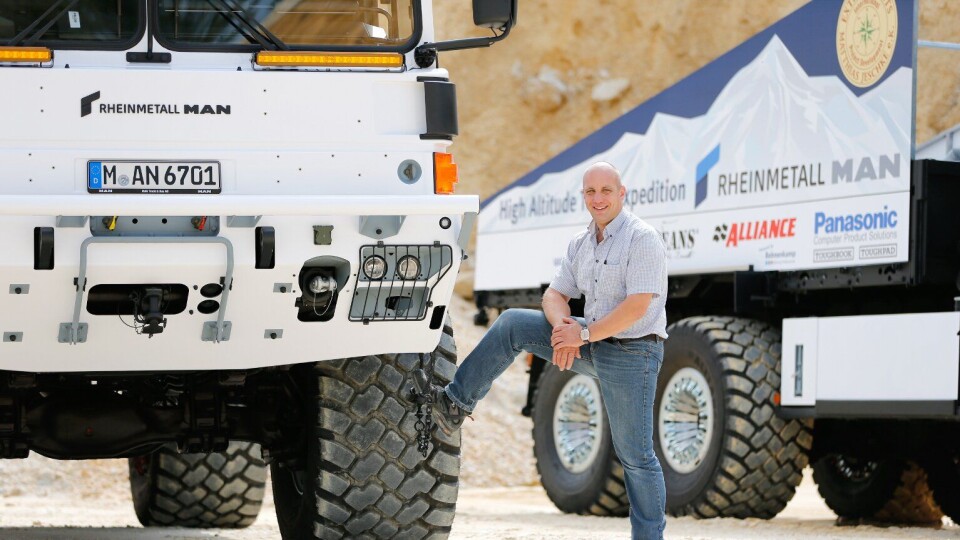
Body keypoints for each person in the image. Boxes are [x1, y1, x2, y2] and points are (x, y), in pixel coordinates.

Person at [417, 161, 668, 540]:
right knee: (514, 323)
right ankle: (455, 404)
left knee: (636, 457)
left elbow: (639, 306)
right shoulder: (582, 243)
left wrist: (580, 337)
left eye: (605, 191)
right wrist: (563, 328)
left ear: (622, 194)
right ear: (583, 196)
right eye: (590, 192)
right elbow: (554, 294)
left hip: (634, 355)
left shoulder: (642, 238)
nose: (597, 199)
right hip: (590, 338)